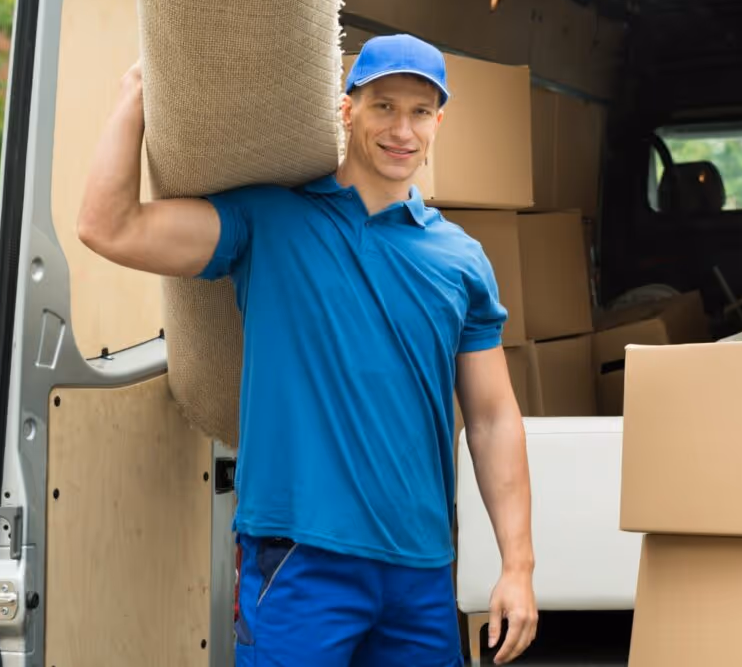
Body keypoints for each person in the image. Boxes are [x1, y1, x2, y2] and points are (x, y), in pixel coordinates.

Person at [77, 34, 537, 666]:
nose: (402, 130)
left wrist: (518, 565)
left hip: (421, 569)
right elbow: (109, 225)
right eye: (383, 106)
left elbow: (492, 419)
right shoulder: (271, 222)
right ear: (347, 110)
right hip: (298, 559)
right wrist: (137, 91)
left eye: (420, 112)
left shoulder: (461, 259)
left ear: (439, 124)